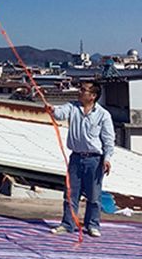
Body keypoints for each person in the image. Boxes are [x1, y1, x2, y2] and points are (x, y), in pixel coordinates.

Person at [46, 80, 114, 238]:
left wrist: (107, 158)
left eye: (84, 90)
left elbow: (108, 140)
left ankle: (92, 225)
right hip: (76, 158)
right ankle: (67, 224)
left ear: (93, 96)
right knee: (71, 193)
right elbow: (59, 113)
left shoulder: (103, 115)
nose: (80, 92)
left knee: (94, 196)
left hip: (94, 159)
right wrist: (52, 109)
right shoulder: (72, 107)